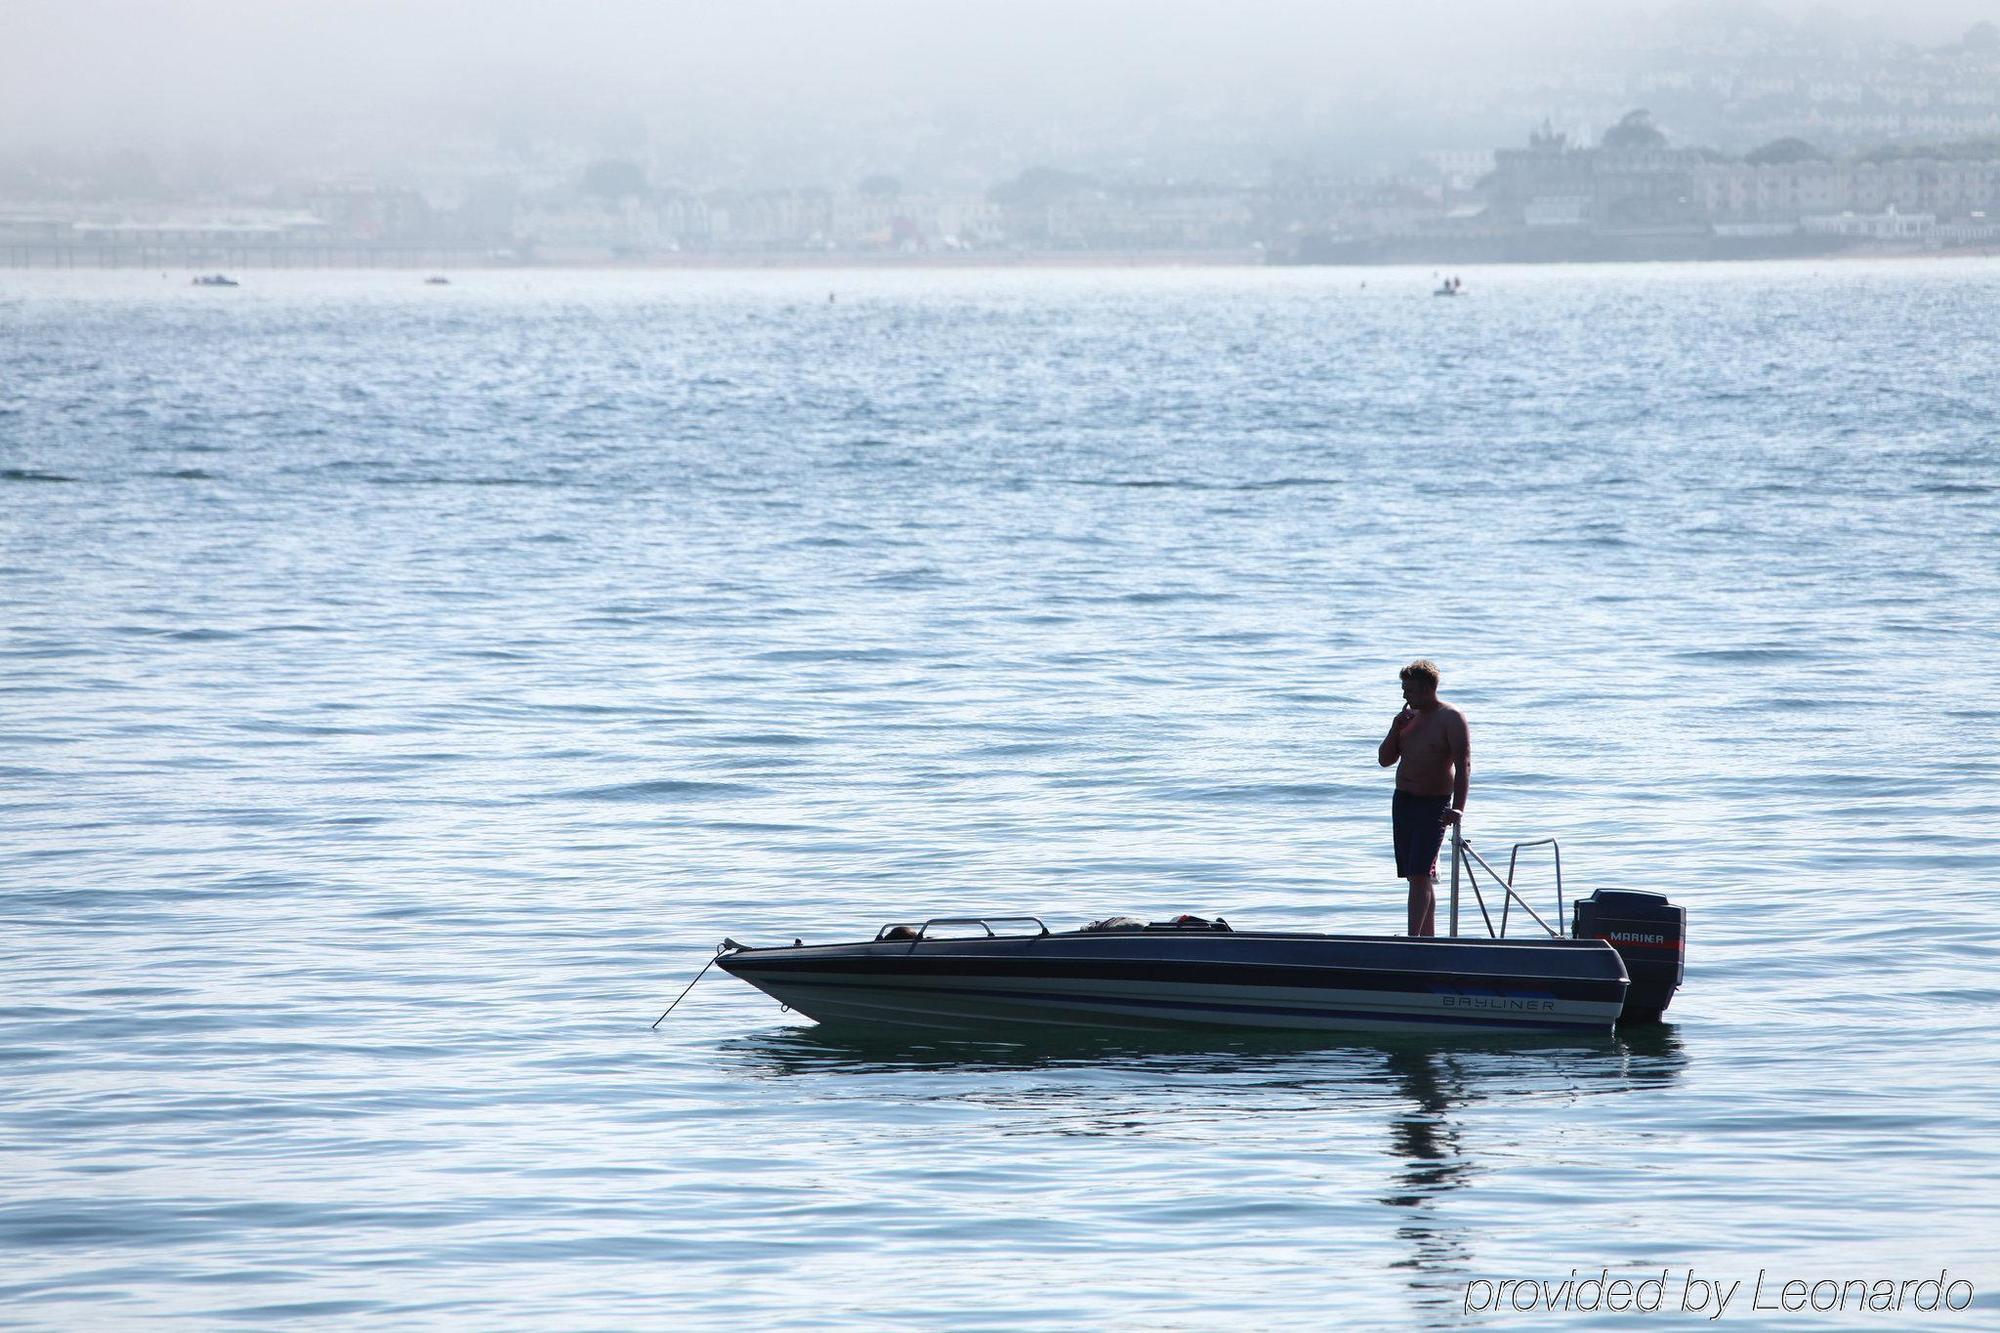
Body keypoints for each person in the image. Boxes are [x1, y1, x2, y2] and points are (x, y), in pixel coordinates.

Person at [1376, 659, 1471, 937]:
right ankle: (1426, 938)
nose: (1405, 696)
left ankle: (1413, 940)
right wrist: (1395, 728)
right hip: (1404, 800)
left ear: (1428, 688)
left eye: (1410, 690)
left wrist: (1459, 808)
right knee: (1415, 876)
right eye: (1403, 690)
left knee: (1420, 873)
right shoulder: (1408, 718)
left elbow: (1463, 764)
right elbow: (1384, 760)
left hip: (1434, 804)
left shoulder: (1450, 717)